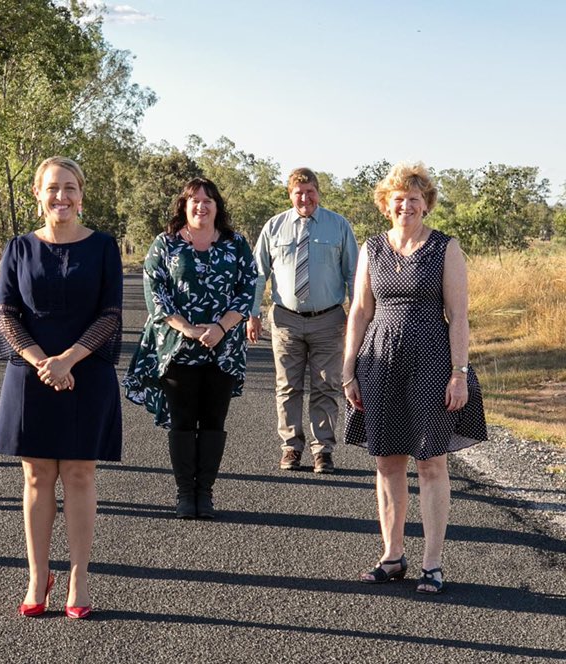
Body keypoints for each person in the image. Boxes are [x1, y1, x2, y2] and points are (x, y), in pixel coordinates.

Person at [343, 162, 486, 595]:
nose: (406, 206)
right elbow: (360, 312)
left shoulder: (446, 247)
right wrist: (348, 369)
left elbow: (458, 316)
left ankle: (432, 563)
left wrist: (458, 373)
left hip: (431, 360)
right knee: (387, 461)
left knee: (431, 462)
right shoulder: (371, 248)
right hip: (380, 359)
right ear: (387, 206)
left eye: (415, 199)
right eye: (399, 199)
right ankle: (392, 556)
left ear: (426, 206)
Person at [0, 157, 122, 619]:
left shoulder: (104, 247)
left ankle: (79, 577)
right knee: (36, 475)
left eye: (69, 188)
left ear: (81, 195)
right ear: (37, 193)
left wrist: (67, 359)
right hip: (31, 373)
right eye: (52, 188)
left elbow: (110, 315)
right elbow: (5, 312)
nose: (61, 197)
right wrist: (41, 361)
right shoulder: (18, 248)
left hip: (87, 370)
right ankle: (36, 574)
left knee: (81, 474)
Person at [123, 178, 257, 519]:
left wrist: (220, 327)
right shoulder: (165, 244)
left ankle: (205, 493)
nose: (201, 205)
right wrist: (189, 329)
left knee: (213, 420)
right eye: (194, 200)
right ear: (183, 206)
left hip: (223, 349)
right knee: (183, 421)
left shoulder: (235, 244)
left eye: (208, 200)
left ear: (217, 206)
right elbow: (156, 293)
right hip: (177, 348)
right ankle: (185, 493)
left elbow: (248, 289)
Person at [247, 168, 358, 474]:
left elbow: (353, 274)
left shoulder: (339, 226)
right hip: (285, 321)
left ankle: (323, 450)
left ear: (318, 192)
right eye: (299, 193)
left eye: (310, 192)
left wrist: (355, 316)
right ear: (290, 194)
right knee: (287, 386)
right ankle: (291, 448)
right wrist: (252, 312)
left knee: (326, 385)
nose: (305, 198)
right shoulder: (274, 227)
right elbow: (258, 274)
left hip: (329, 319)